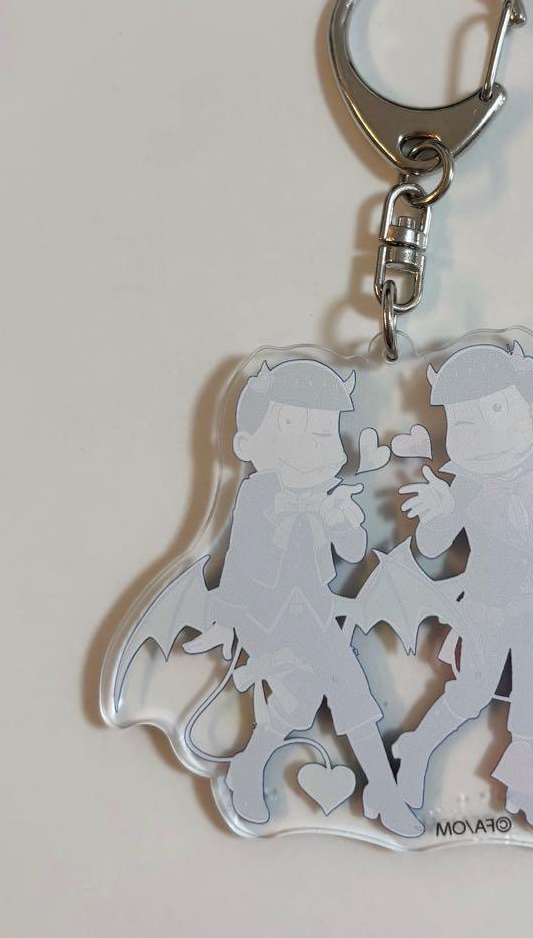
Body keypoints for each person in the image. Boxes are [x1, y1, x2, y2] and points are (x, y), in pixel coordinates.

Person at [187, 358, 422, 838]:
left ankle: (382, 791)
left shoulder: (327, 495)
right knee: (307, 700)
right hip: (265, 618)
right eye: (292, 428)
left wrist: (340, 521)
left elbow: (353, 552)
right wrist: (225, 619)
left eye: (322, 432)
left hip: (315, 616)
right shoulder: (257, 494)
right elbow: (240, 559)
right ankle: (252, 769)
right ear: (247, 445)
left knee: (345, 698)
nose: (312, 446)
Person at [394, 341, 533, 835]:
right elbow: (433, 546)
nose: (484, 434)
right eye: (464, 422)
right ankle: (416, 748)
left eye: (497, 411)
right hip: (487, 612)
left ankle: (527, 787)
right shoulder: (468, 486)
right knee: (472, 692)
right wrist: (437, 514)